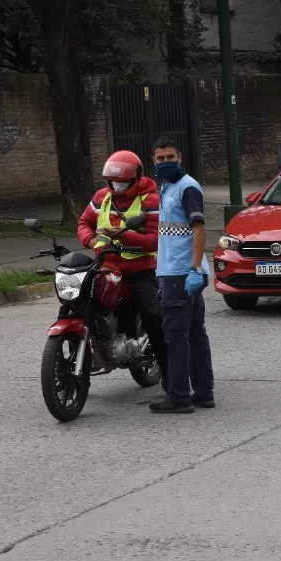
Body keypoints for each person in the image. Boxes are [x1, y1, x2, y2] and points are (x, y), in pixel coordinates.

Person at [76, 150, 168, 390]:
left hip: (139, 270)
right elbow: (84, 222)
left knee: (152, 316)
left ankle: (171, 377)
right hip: (106, 268)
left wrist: (123, 237)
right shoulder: (101, 198)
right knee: (81, 303)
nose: (118, 186)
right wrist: (92, 242)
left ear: (136, 177)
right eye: (114, 181)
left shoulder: (151, 200)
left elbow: (155, 239)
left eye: (124, 181)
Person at [149, 137, 214, 414]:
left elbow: (198, 229)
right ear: (153, 160)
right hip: (177, 271)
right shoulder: (168, 187)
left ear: (180, 157)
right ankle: (203, 392)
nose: (165, 163)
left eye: (170, 157)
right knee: (195, 334)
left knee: (176, 336)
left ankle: (178, 397)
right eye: (160, 159)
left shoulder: (187, 187)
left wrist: (195, 270)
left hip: (181, 273)